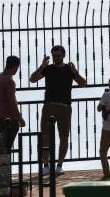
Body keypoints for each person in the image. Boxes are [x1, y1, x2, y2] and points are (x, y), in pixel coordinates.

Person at [29, 45, 87, 176]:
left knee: (64, 136)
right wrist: (42, 66)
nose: (56, 58)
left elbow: (83, 83)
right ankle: (45, 165)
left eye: (58, 56)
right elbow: (32, 79)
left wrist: (75, 72)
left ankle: (59, 165)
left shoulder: (69, 69)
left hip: (64, 106)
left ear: (63, 55)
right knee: (45, 136)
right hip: (49, 105)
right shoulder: (48, 69)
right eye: (54, 56)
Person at [0, 55, 26, 149]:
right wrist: (20, 119)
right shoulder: (9, 81)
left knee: (3, 145)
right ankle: (5, 163)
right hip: (8, 119)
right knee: (7, 147)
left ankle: (2, 163)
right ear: (15, 67)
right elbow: (12, 103)